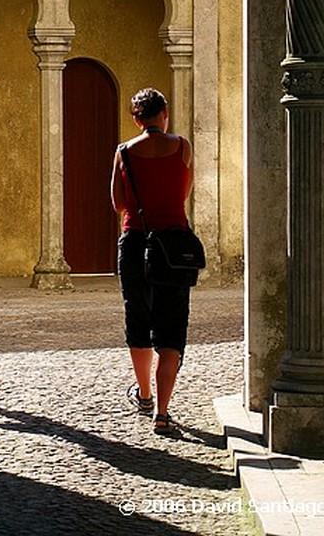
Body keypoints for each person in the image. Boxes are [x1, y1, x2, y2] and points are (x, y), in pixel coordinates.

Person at [110, 87, 194, 436]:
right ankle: (162, 411)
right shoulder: (183, 147)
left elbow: (118, 204)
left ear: (136, 119)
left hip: (135, 242)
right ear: (165, 114)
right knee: (172, 323)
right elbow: (184, 192)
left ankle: (143, 394)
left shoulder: (124, 153)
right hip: (174, 244)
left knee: (139, 316)